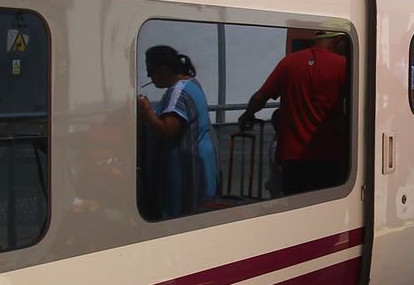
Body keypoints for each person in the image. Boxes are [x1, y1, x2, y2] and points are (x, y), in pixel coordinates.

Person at [239, 31, 350, 195]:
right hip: (329, 155)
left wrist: (247, 114)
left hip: (291, 158)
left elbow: (260, 97)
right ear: (340, 40)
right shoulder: (343, 66)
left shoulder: (288, 62)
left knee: (294, 207)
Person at [137, 46, 219, 219]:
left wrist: (147, 112)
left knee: (182, 218)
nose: (149, 78)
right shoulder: (190, 83)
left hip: (186, 169)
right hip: (200, 162)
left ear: (164, 70)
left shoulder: (178, 93)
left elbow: (167, 130)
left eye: (150, 72)